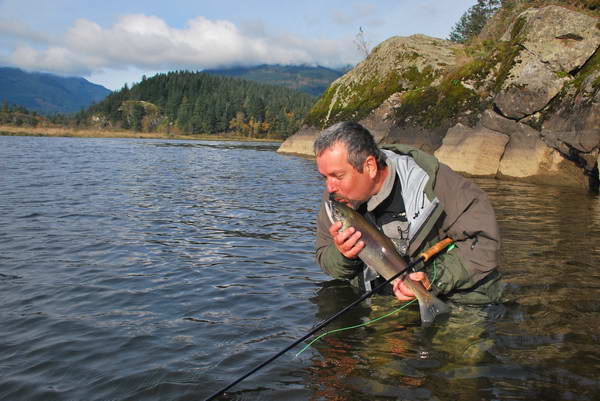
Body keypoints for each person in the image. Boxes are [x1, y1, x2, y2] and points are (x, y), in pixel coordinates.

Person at [314, 121, 504, 304]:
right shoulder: (336, 201)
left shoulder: (437, 184)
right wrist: (344, 255)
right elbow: (325, 258)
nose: (329, 187)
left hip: (457, 295)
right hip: (384, 298)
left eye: (338, 176)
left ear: (369, 166)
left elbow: (483, 244)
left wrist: (433, 278)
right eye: (325, 177)